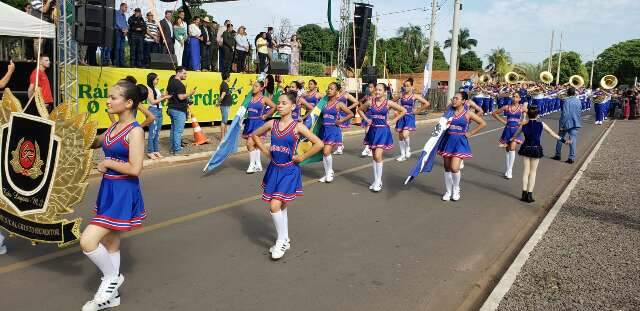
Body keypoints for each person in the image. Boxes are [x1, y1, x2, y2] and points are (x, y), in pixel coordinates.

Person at [79, 77, 147, 311]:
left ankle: (111, 278)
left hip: (122, 192)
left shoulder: (135, 131)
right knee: (110, 241)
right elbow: (99, 141)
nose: (108, 101)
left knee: (87, 240)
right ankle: (112, 297)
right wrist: (77, 137)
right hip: (108, 189)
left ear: (128, 103)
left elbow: (135, 168)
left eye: (113, 97)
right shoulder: (115, 126)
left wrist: (108, 162)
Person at [249, 91, 324, 260]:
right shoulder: (272, 123)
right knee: (281, 205)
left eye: (284, 103)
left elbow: (319, 143)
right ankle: (286, 239)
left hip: (289, 170)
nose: (280, 105)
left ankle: (281, 240)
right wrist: (265, 151)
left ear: (293, 106)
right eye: (279, 103)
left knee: (274, 205)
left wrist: (302, 157)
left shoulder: (298, 127)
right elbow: (255, 135)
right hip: (274, 169)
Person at [510, 106, 569, 203]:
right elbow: (552, 133)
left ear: (528, 115)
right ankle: (529, 195)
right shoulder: (541, 124)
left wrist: (509, 141)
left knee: (526, 172)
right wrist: (564, 140)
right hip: (536, 148)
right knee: (533, 172)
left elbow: (514, 136)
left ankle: (523, 194)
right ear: (537, 115)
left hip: (526, 148)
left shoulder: (523, 125)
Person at [438, 92, 487, 201]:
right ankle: (448, 191)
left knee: (454, 168)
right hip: (447, 140)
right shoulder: (449, 112)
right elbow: (442, 123)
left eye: (457, 98)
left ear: (464, 101)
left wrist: (470, 133)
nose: (454, 100)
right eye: (453, 98)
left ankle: (456, 189)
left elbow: (483, 123)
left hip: (460, 142)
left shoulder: (468, 113)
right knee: (447, 168)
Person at [359, 83, 407, 192]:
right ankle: (376, 180)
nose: (377, 92)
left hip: (383, 131)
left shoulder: (388, 102)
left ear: (385, 91)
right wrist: (367, 120)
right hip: (373, 130)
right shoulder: (370, 102)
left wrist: (394, 120)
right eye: (376, 90)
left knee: (377, 155)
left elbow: (404, 111)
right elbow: (360, 110)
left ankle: (378, 181)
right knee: (374, 157)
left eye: (380, 90)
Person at [318, 82, 354, 183]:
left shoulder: (339, 104)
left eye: (332, 89)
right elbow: (317, 115)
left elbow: (351, 114)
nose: (329, 90)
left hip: (333, 130)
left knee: (326, 152)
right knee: (324, 153)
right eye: (328, 88)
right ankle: (327, 174)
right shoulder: (323, 103)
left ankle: (329, 172)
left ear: (337, 92)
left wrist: (341, 121)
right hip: (324, 129)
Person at [243, 81, 276, 173]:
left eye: (256, 86)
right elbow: (243, 109)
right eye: (253, 86)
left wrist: (266, 115)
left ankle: (252, 165)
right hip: (249, 123)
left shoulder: (264, 99)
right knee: (256, 145)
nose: (254, 87)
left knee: (249, 144)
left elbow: (274, 106)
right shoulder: (249, 98)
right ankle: (258, 165)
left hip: (258, 123)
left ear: (261, 88)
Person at [491, 92, 527, 179]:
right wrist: (503, 121)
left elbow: (533, 115)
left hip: (516, 130)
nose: (515, 98)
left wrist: (523, 122)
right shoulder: (507, 107)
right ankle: (507, 169)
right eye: (513, 96)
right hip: (508, 129)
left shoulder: (522, 108)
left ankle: (510, 170)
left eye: (517, 97)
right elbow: (494, 113)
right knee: (507, 149)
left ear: (519, 99)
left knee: (512, 148)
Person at [395, 78, 430, 162]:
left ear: (411, 87)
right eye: (404, 86)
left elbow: (427, 103)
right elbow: (391, 102)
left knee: (405, 134)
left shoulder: (415, 96)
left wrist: (418, 110)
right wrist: (395, 110)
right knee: (400, 136)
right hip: (401, 116)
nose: (406, 88)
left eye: (407, 86)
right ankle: (402, 155)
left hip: (410, 116)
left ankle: (408, 147)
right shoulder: (401, 95)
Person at [166, 67, 195, 155]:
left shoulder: (171, 82)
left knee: (173, 130)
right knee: (178, 131)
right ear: (178, 73)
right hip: (178, 109)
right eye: (184, 73)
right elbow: (181, 97)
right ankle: (177, 150)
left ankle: (172, 149)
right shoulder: (179, 84)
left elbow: (170, 95)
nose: (186, 75)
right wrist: (190, 93)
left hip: (172, 108)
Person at [552, 87, 581, 164]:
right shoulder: (578, 101)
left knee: (560, 138)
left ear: (568, 93)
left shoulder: (566, 101)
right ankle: (571, 158)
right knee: (573, 140)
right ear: (574, 93)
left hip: (566, 123)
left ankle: (557, 155)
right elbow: (579, 112)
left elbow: (565, 114)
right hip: (575, 122)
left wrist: (562, 125)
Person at [145, 73, 171, 159]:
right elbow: (152, 101)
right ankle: (150, 151)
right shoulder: (148, 89)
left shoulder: (156, 89)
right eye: (156, 79)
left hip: (159, 111)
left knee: (157, 133)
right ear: (152, 80)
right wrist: (163, 98)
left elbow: (159, 101)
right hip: (153, 111)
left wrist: (164, 96)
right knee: (152, 132)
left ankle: (156, 150)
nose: (158, 81)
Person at [218, 71, 233, 139]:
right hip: (225, 105)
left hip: (225, 105)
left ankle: (225, 136)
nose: (230, 78)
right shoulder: (224, 85)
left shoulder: (224, 84)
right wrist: (218, 102)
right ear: (227, 77)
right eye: (229, 77)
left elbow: (224, 94)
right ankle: (223, 137)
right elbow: (222, 96)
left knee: (225, 120)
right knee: (224, 121)